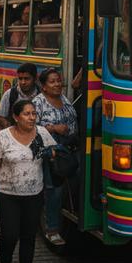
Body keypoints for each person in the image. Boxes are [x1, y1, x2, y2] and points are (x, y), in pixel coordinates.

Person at [0, 99, 56, 263]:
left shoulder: (42, 133)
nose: (32, 117)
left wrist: (54, 155)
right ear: (16, 117)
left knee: (28, 238)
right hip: (7, 193)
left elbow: (54, 154)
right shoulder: (3, 136)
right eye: (27, 114)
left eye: (34, 113)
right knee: (9, 235)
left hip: (34, 194)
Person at [33, 68, 78, 247]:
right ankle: (52, 230)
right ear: (43, 86)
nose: (57, 84)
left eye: (58, 80)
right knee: (53, 190)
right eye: (52, 82)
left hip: (68, 148)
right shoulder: (38, 103)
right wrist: (54, 128)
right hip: (50, 150)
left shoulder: (65, 99)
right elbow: (30, 127)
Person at [0, 63, 39, 129]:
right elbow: (0, 117)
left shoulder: (41, 95)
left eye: (27, 79)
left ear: (35, 78)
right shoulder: (10, 94)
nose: (23, 82)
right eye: (20, 79)